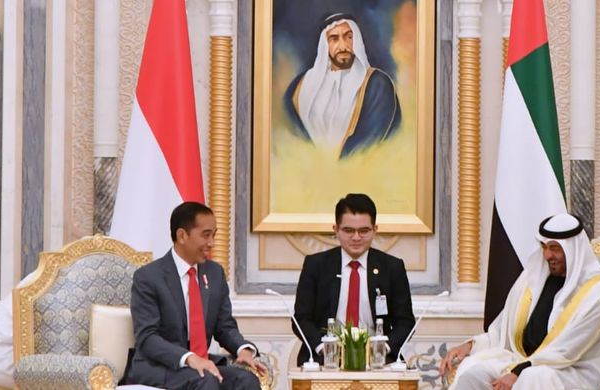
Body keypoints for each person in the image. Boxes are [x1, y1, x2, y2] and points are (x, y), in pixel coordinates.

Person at [440, 213, 600, 390]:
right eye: (544, 247)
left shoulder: (598, 292)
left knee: (531, 378)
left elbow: (567, 350)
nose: (547, 255)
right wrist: (470, 346)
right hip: (521, 361)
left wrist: (518, 372)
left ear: (573, 250)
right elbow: (502, 332)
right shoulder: (532, 279)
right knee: (473, 374)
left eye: (555, 248)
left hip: (570, 372)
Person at [128, 202, 265, 389]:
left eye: (214, 235)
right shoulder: (149, 277)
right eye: (206, 235)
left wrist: (243, 349)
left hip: (201, 366)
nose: (212, 243)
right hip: (159, 366)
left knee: (246, 380)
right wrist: (189, 358)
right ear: (182, 235)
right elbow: (147, 337)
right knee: (205, 381)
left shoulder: (215, 273)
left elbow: (224, 326)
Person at [292, 193, 415, 366]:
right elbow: (301, 319)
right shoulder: (316, 265)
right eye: (348, 230)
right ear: (336, 230)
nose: (356, 237)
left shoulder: (392, 267)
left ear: (375, 230)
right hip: (324, 358)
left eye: (364, 231)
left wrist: (382, 348)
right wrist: (324, 348)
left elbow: (405, 322)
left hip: (379, 360)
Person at [284, 13, 401, 159]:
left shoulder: (377, 84)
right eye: (334, 39)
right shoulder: (299, 88)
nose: (343, 46)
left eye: (349, 37)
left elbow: (371, 140)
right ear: (324, 45)